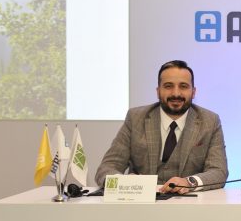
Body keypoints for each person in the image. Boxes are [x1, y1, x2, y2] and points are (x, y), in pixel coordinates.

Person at [95, 60, 228, 193]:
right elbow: (107, 168)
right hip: (142, 203)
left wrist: (188, 182)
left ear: (193, 92)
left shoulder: (210, 121)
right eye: (168, 86)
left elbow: (219, 172)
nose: (176, 93)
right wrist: (125, 183)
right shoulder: (135, 118)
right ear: (158, 91)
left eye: (183, 86)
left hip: (189, 203)